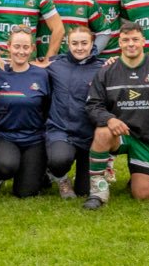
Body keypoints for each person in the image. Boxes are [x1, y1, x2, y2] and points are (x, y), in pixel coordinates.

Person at [82, 22, 149, 209]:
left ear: (143, 41)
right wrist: (109, 119)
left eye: (135, 39)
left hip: (147, 138)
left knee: (144, 196)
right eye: (126, 40)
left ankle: (137, 176)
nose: (131, 44)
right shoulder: (107, 71)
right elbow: (93, 105)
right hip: (120, 135)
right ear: (119, 43)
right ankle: (98, 191)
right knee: (102, 132)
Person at [0, 29, 52, 198]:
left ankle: (37, 171)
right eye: (16, 46)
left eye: (25, 47)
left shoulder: (42, 75)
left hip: (33, 139)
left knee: (26, 193)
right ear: (8, 46)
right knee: (5, 166)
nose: (21, 51)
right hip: (3, 136)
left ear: (32, 49)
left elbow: (48, 107)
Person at [46, 26, 106, 198]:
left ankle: (96, 170)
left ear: (92, 43)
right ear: (67, 44)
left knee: (84, 191)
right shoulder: (55, 65)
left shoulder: (103, 68)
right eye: (75, 43)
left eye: (84, 43)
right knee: (59, 160)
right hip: (61, 130)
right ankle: (62, 178)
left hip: (89, 135)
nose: (79, 47)